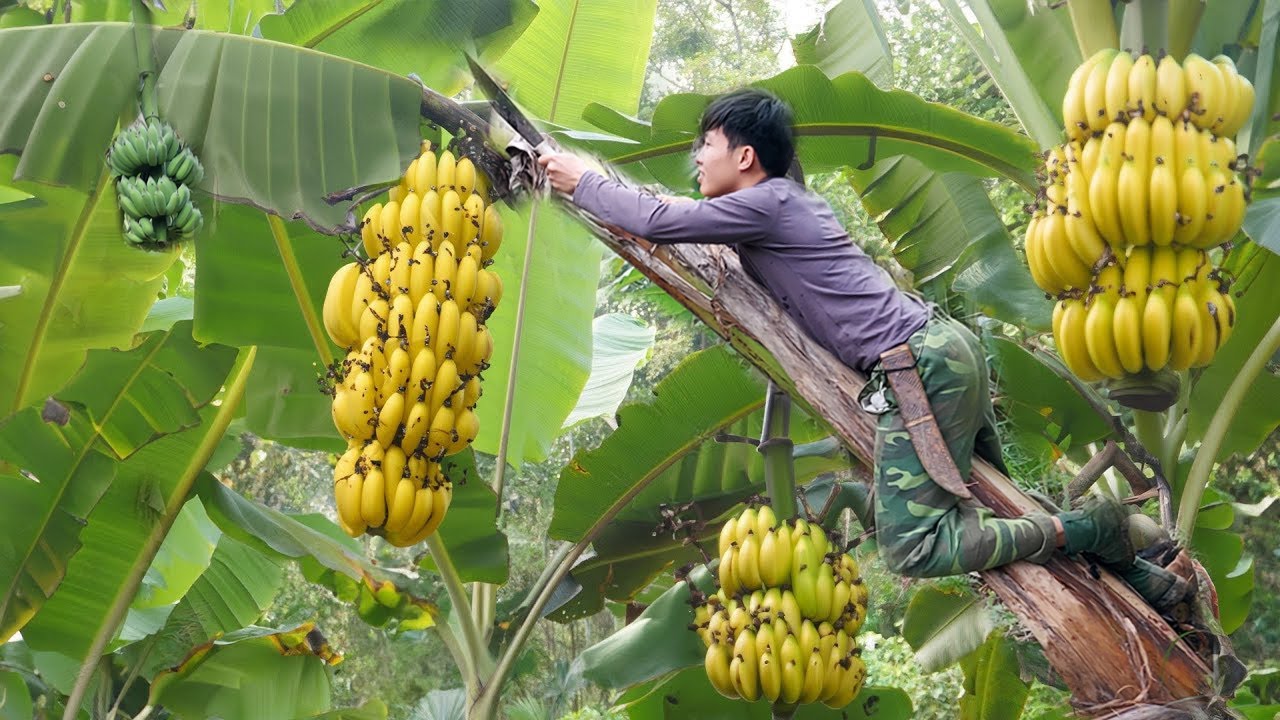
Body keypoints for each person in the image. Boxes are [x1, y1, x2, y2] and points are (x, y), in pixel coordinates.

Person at [537, 88, 1193, 610]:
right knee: (999, 502)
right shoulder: (784, 203)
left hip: (918, 364)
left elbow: (659, 222)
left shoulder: (768, 201)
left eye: (705, 145)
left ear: (745, 156)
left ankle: (1094, 527)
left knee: (914, 547)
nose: (696, 160)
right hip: (942, 348)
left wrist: (580, 180)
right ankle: (1150, 583)